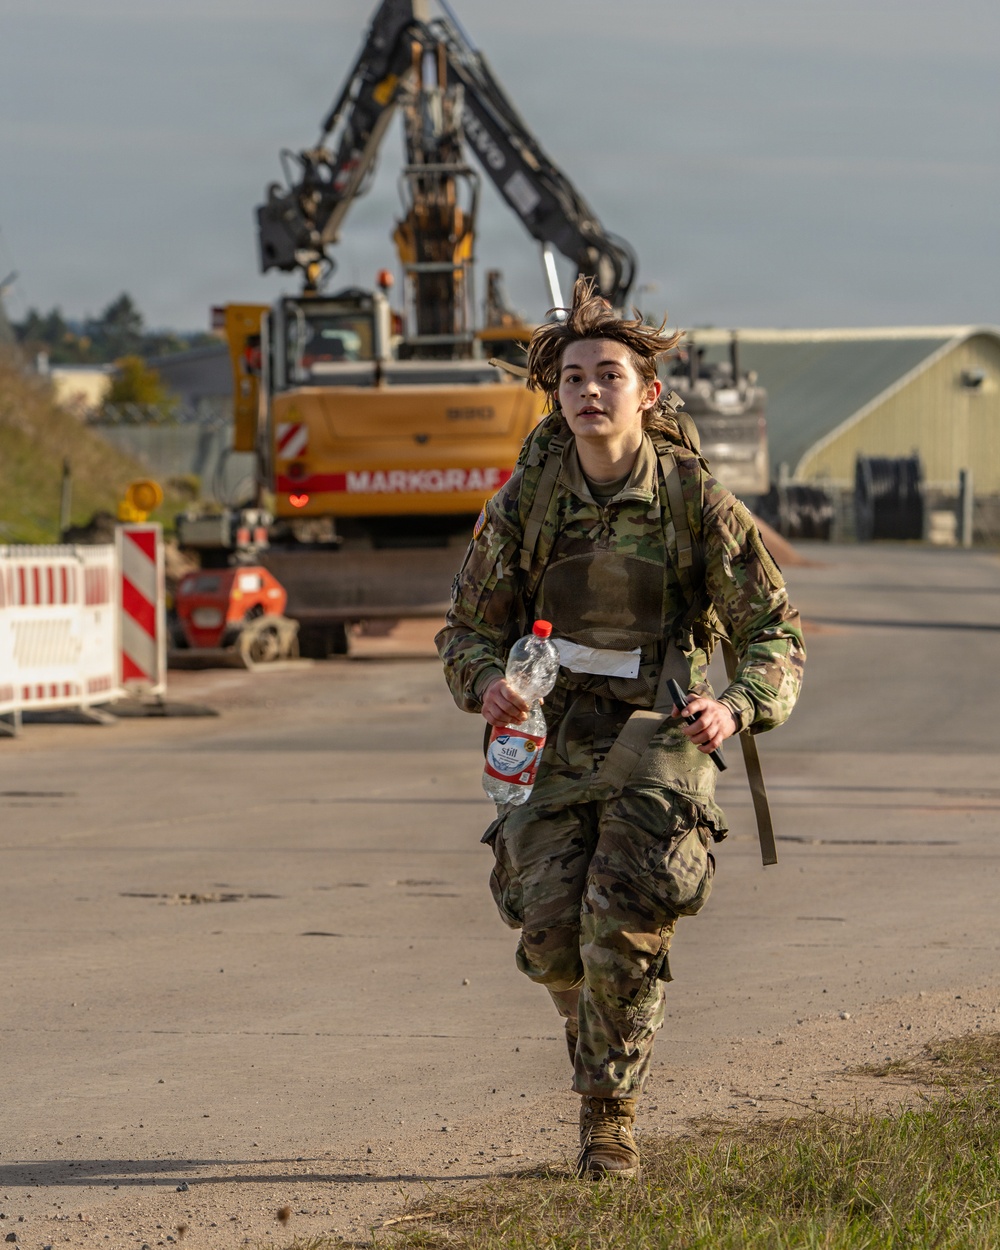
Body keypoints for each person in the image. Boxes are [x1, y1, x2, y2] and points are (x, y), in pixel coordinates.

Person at [435, 280, 805, 1179]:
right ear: (555, 397)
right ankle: (597, 1033)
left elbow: (775, 636)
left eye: (609, 375)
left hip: (662, 725)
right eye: (572, 379)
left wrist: (737, 704)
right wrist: (487, 685)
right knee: (551, 933)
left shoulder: (695, 501)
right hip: (551, 729)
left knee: (624, 916)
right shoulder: (524, 502)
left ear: (648, 392)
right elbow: (466, 632)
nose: (590, 391)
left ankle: (609, 1117)